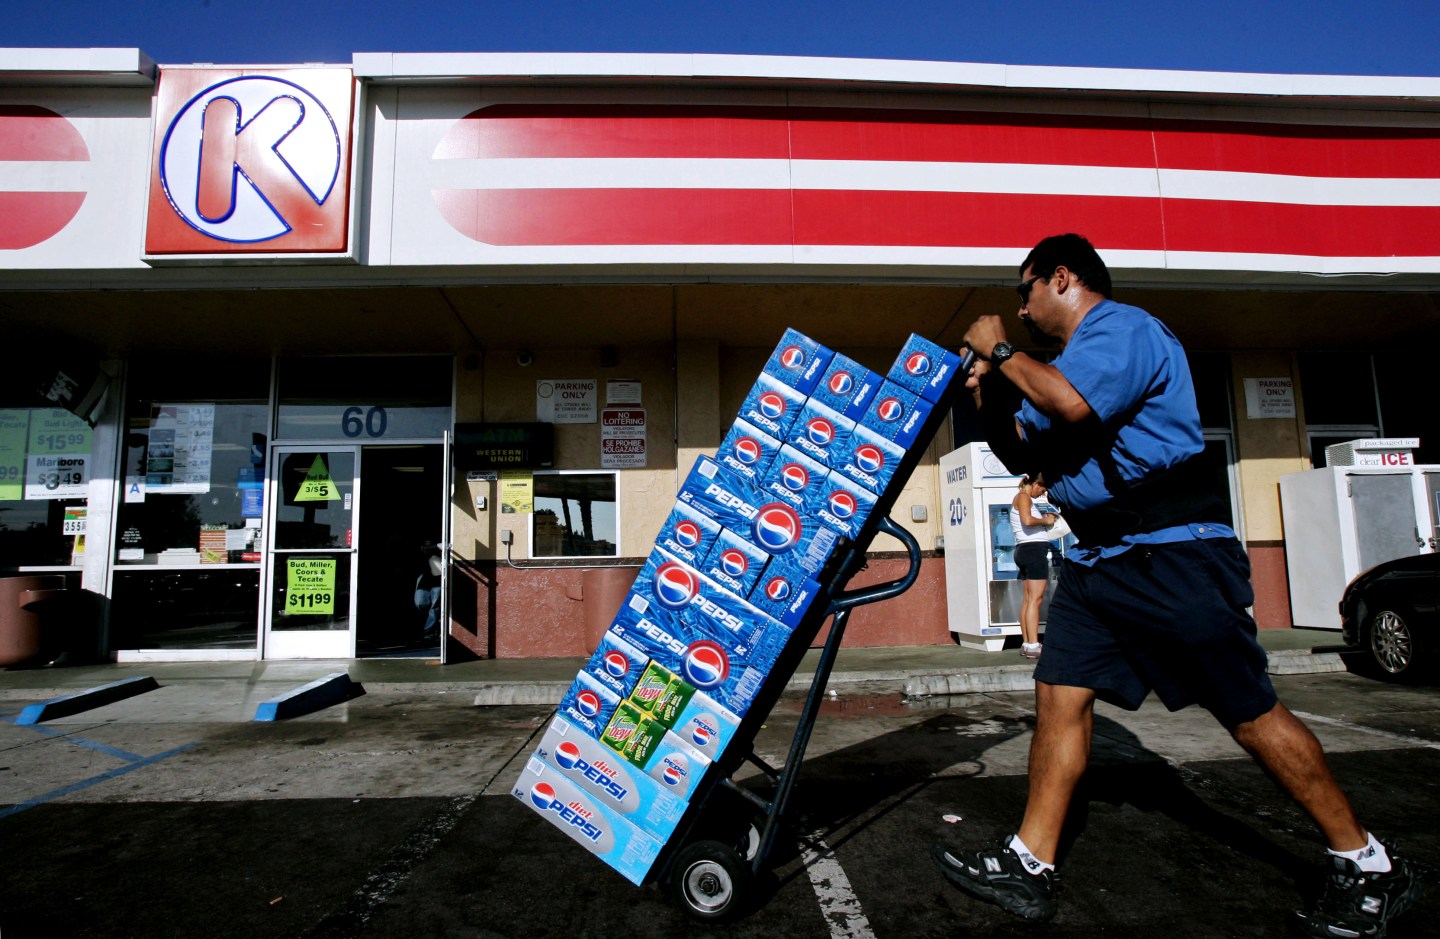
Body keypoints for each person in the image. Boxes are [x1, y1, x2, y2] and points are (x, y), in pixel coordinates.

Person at [930, 234, 1419, 936]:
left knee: (1246, 710)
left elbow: (1069, 406)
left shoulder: (1123, 330)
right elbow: (1022, 448)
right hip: (1101, 561)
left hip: (1172, 554)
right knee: (1059, 694)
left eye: (1025, 289)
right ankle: (1028, 863)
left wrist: (1004, 351)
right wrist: (982, 395)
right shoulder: (1065, 363)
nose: (1022, 305)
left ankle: (1368, 859)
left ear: (1061, 276)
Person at [1010, 476, 1057, 659]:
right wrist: (1046, 521)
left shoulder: (1024, 498)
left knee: (1029, 599)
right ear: (1036, 484)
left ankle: (1028, 643)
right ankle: (1033, 644)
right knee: (1035, 600)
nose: (1043, 493)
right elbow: (1027, 520)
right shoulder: (1024, 497)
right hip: (1032, 550)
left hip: (1025, 550)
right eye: (1043, 489)